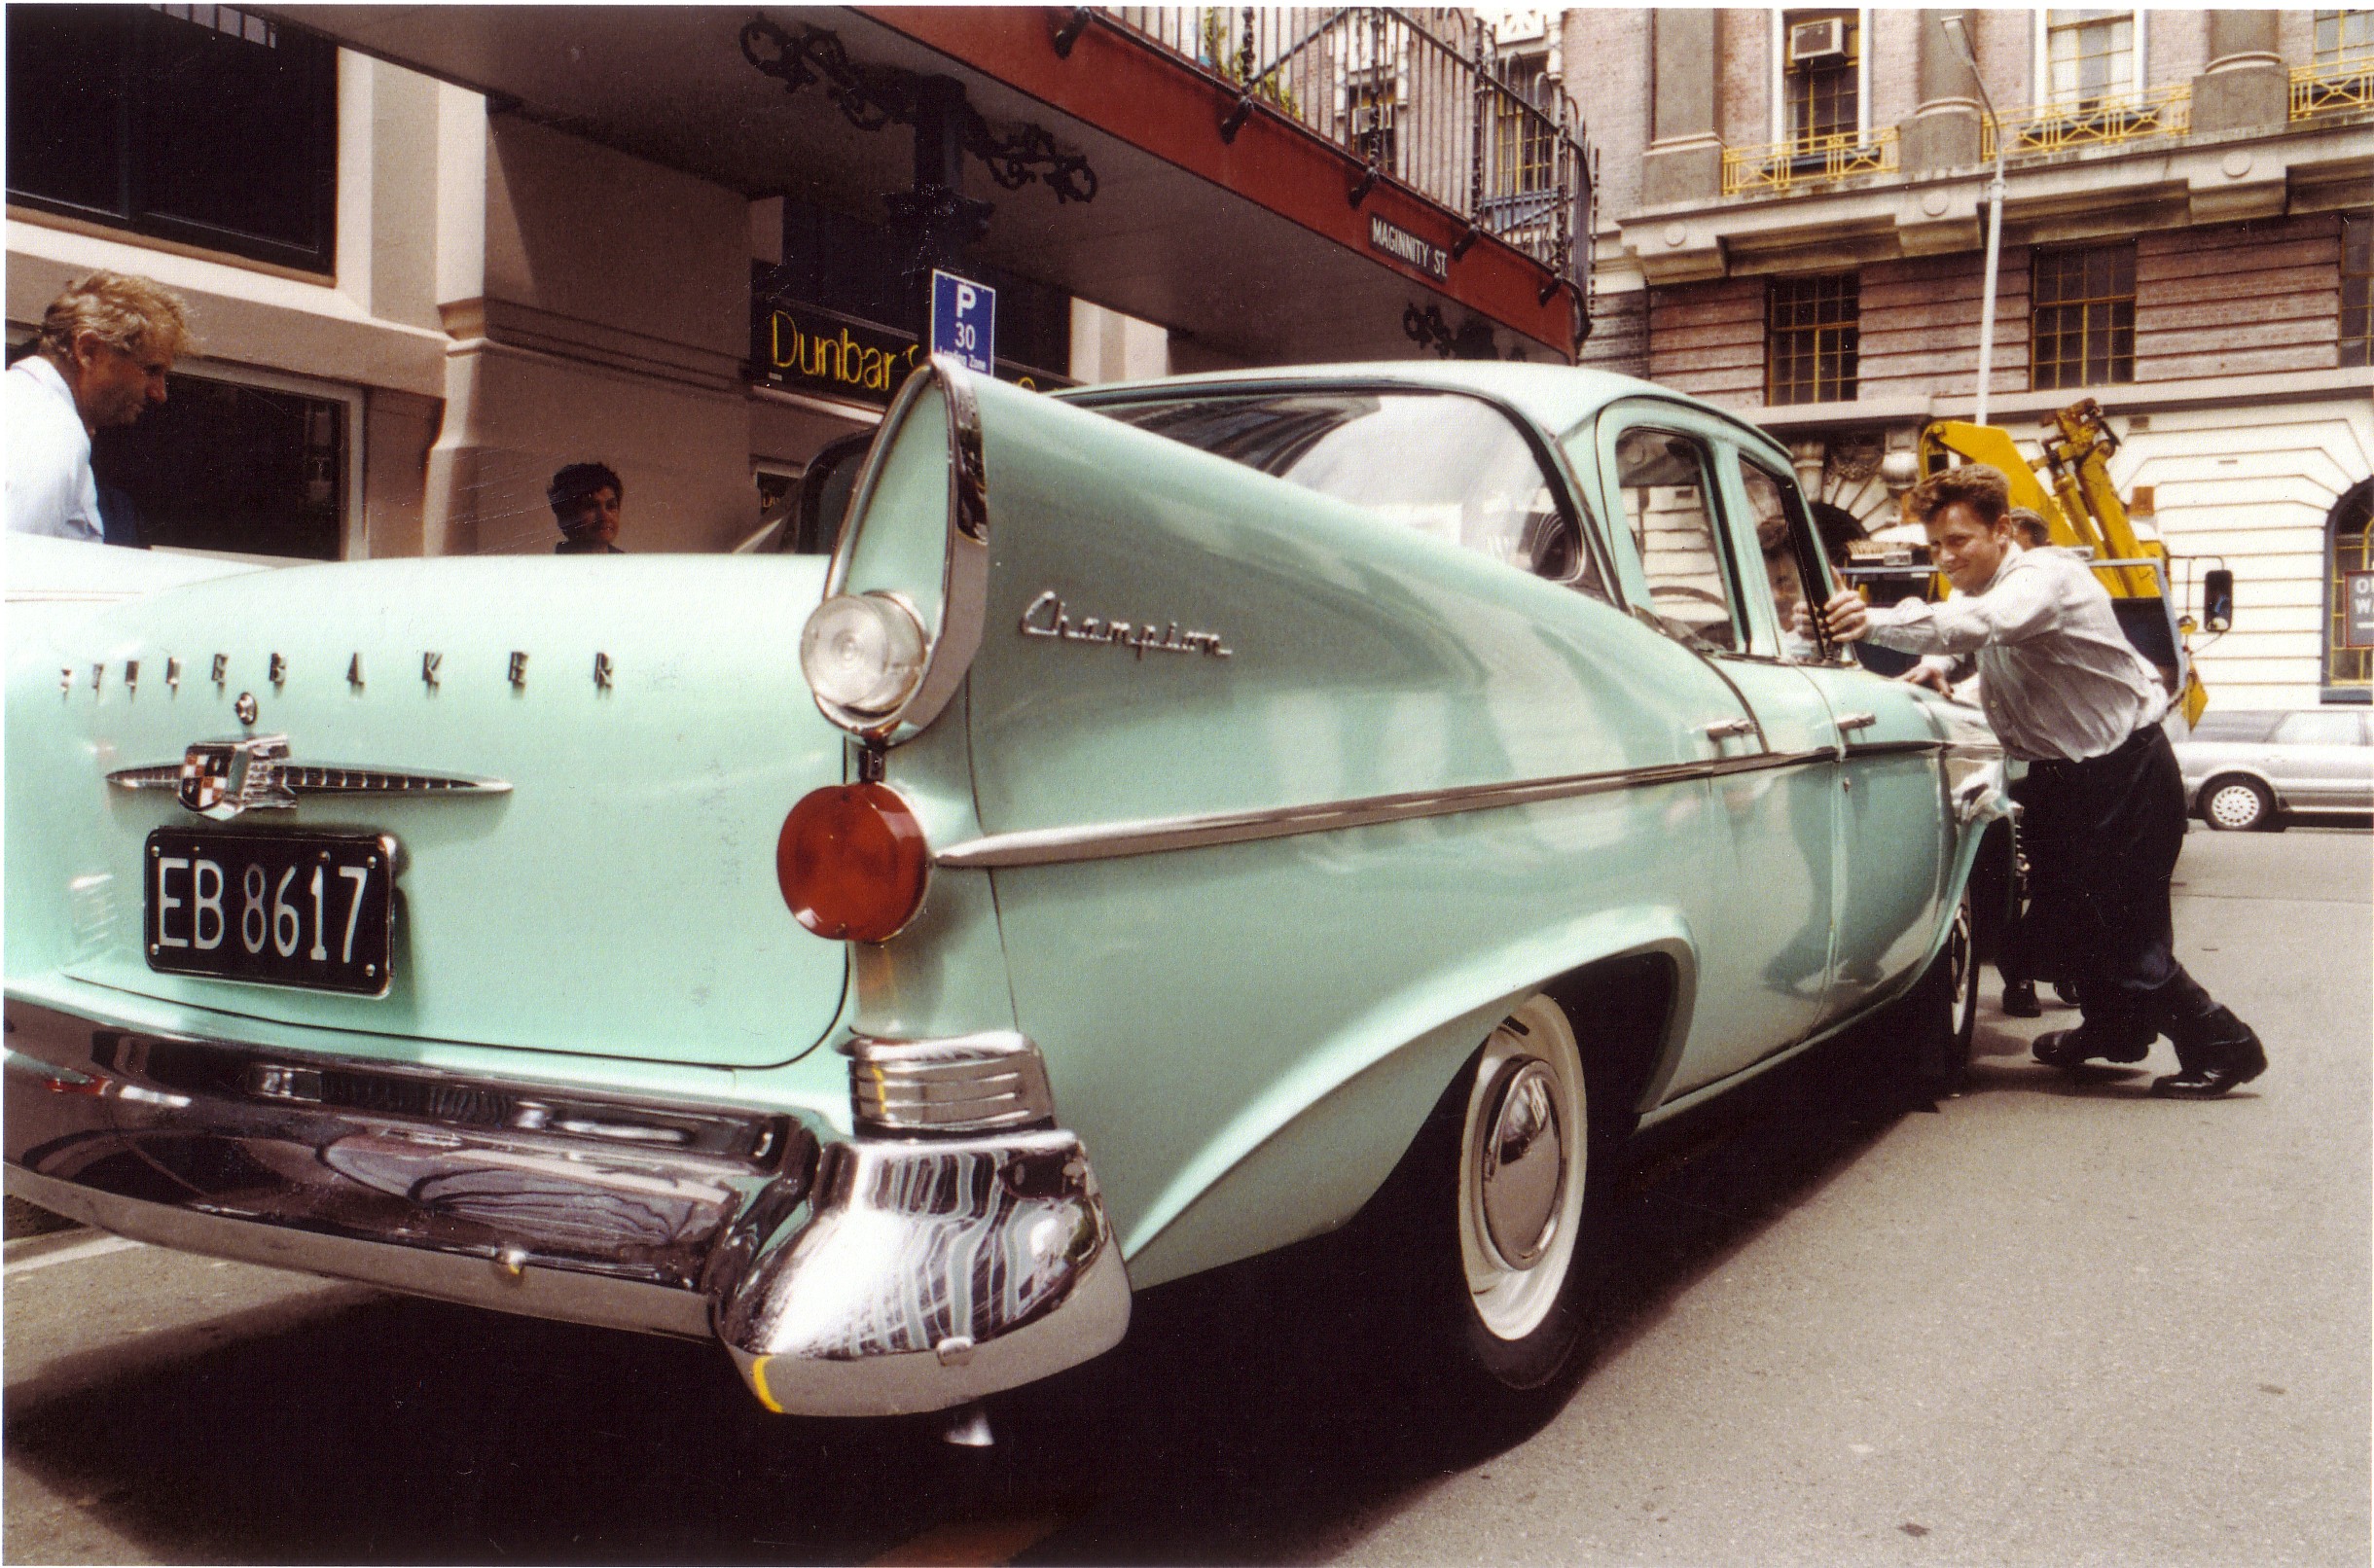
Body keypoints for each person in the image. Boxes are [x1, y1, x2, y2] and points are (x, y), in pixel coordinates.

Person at [1804, 464, 2266, 1098]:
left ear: (2002, 529)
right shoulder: (1983, 587)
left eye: (1957, 541)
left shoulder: (2045, 575)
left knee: (2126, 935)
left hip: (2120, 771)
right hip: (2068, 777)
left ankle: (2225, 1045)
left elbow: (1989, 624)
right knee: (2066, 924)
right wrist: (1937, 663)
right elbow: (1974, 635)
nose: (1944, 557)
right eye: (1934, 544)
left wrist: (1872, 623)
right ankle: (2114, 1031)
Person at [6, 271, 191, 542]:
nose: (159, 393)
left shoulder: (24, 404)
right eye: (151, 369)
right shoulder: (50, 431)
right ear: (88, 350)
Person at [549, 462, 626, 553]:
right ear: (566, 517)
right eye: (591, 506)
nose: (605, 516)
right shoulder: (549, 565)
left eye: (611, 506)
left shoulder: (630, 565)